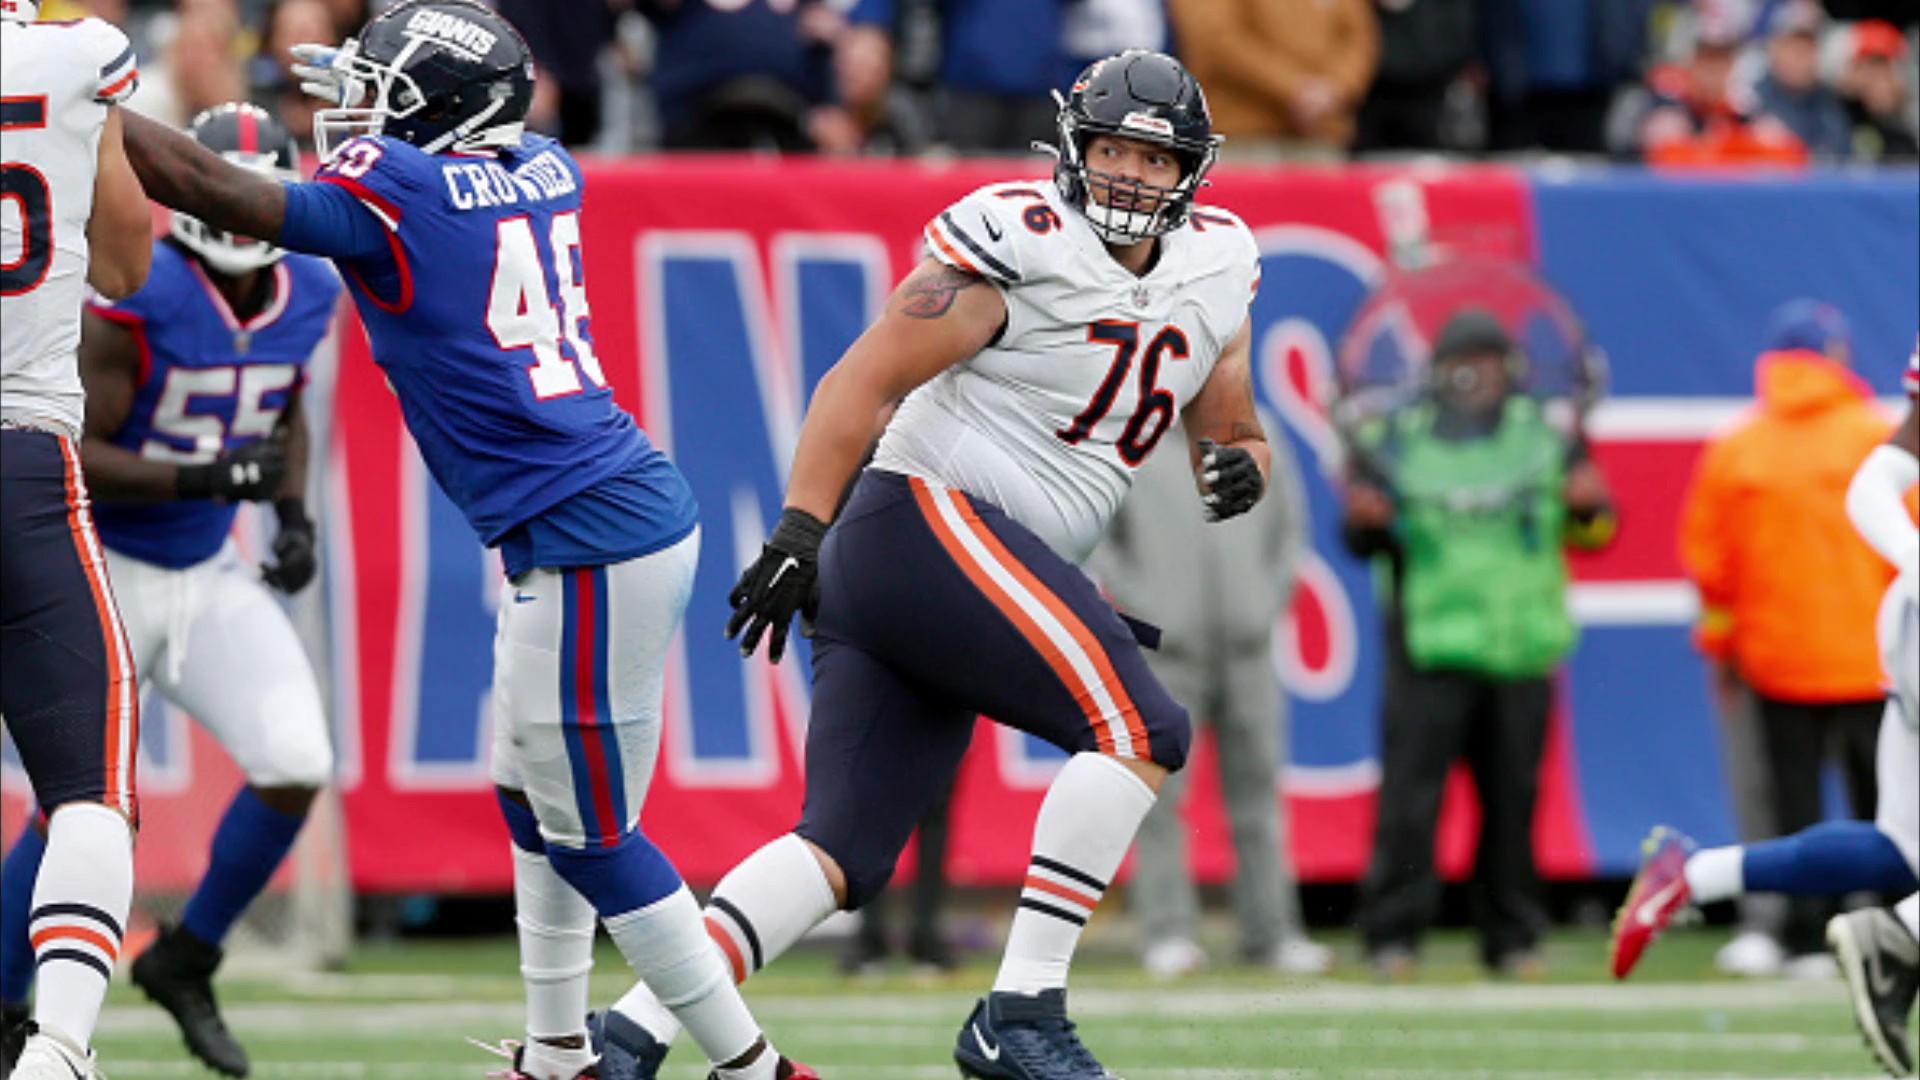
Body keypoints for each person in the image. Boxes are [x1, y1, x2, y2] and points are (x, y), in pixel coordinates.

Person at [112, 4, 812, 1078]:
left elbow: (211, 189)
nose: (361, 115)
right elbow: (423, 156)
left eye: (384, 97)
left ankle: (753, 1068)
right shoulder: (542, 162)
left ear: (440, 114)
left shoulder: (406, 193)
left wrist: (97, 100)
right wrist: (377, 89)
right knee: (533, 792)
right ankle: (555, 1050)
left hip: (589, 535)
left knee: (596, 836)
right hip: (600, 515)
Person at [593, 48, 1268, 1080]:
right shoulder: (1023, 242)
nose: (1131, 174)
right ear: (1073, 152)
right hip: (925, 521)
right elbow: (860, 380)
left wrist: (1242, 466)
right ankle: (1022, 1010)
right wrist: (797, 530)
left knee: (841, 851)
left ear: (1192, 172)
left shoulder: (1219, 264)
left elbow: (1229, 414)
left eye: (1153, 157)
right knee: (1142, 725)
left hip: (947, 559)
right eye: (1113, 150)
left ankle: (629, 1034)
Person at [0, 102, 335, 1080]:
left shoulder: (307, 289)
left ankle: (188, 955)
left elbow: (286, 402)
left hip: (206, 569)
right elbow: (80, 449)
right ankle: (12, 1002)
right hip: (100, 563)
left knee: (295, 757)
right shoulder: (139, 287)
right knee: (79, 806)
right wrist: (205, 481)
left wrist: (295, 512)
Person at [1615, 339, 1917, 1075]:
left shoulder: (1757, 441)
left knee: (1901, 845)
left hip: (1901, 620)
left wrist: (1915, 568)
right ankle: (1898, 939)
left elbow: (1873, 486)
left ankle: (1695, 877)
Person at [1345, 310, 1617, 980]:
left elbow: (1595, 529)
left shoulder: (1544, 436)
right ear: (1437, 370)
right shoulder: (1397, 437)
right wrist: (1367, 523)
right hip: (1430, 645)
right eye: (1464, 360)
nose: (1477, 374)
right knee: (1412, 803)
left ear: (1512, 369)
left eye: (1489, 359)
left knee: (1514, 804)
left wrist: (1590, 508)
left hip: (1522, 645)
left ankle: (1514, 939)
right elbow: (1361, 537)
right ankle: (1393, 938)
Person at [0, 3, 151, 1076]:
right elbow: (130, 260)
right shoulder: (80, 47)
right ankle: (57, 1051)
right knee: (91, 793)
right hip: (21, 460)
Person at [1670, 301, 1897, 975]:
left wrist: (1721, 644)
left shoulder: (1740, 446)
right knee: (1886, 811)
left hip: (1774, 659)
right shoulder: (1876, 438)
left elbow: (1711, 564)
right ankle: (1888, 930)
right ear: (1838, 357)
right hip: (1873, 658)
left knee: (1788, 810)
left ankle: (1798, 935)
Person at [1086, 414, 1332, 978]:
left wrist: (1264, 603)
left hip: (1248, 646)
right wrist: (1145, 609)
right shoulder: (1133, 439)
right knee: (1159, 798)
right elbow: (1101, 535)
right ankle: (1168, 932)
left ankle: (1272, 933)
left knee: (1259, 794)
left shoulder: (1258, 432)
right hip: (1165, 656)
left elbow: (1290, 529)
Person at [1167, 0, 1378, 159]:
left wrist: (1337, 88)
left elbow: (1358, 36)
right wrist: (1295, 90)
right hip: (1243, 140)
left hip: (1320, 137)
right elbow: (1214, 39)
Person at [1752, 0, 1852, 161]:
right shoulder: (1749, 101)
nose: (1801, 58)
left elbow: (1841, 155)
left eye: (1809, 48)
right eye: (1793, 48)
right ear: (1774, 49)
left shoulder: (1829, 101)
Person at [1841, 20, 1919, 164]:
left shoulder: (1909, 121)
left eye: (1884, 69)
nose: (1874, 80)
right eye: (1866, 67)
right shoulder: (1835, 112)